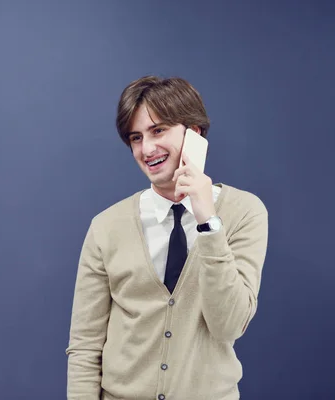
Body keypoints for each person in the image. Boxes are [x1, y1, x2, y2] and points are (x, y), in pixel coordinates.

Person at [65, 76, 268, 400]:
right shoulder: (106, 227)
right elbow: (85, 346)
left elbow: (228, 324)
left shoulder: (244, 212)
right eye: (136, 137)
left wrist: (207, 221)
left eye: (158, 130)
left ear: (194, 134)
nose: (146, 149)